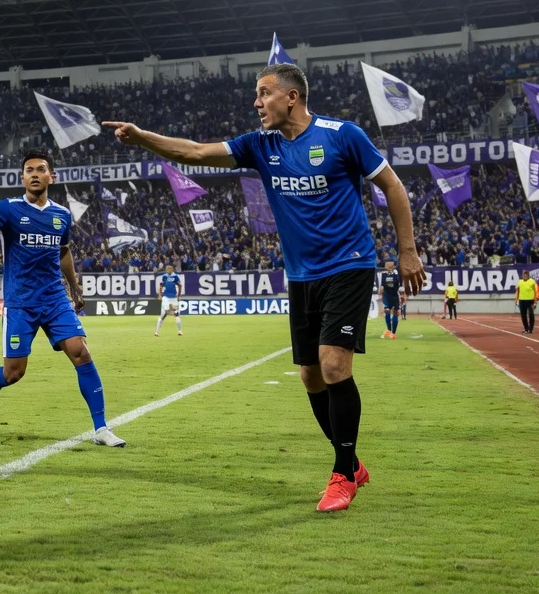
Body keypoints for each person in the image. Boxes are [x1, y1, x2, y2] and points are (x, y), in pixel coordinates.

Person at [104, 62, 426, 512]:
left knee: (333, 366)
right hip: (301, 275)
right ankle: (351, 462)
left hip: (350, 265)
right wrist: (142, 137)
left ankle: (341, 474)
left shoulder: (342, 134)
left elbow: (391, 185)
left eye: (264, 93)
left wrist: (407, 251)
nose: (256, 103)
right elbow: (194, 153)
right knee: (310, 375)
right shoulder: (260, 145)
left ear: (291, 97)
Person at [0, 149, 125, 447]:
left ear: (52, 176)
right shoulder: (8, 209)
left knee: (81, 351)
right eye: (29, 170)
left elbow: (63, 252)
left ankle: (101, 428)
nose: (35, 174)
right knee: (13, 373)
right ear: (22, 177)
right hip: (20, 302)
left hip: (54, 299)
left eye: (41, 169)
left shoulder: (61, 215)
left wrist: (74, 288)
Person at [154, 264, 183, 337]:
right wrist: (160, 295)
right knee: (163, 315)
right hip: (166, 298)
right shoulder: (164, 276)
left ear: (172, 269)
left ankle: (179, 331)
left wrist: (179, 295)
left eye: (169, 269)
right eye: (167, 269)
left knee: (177, 314)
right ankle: (156, 332)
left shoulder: (176, 276)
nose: (168, 270)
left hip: (173, 298)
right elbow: (161, 286)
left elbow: (179, 286)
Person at [377, 261, 400, 340]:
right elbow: (398, 285)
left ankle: (389, 331)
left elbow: (381, 287)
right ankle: (393, 333)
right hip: (394, 296)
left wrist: (380, 295)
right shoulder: (396, 274)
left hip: (387, 296)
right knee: (395, 313)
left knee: (387, 312)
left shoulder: (382, 274)